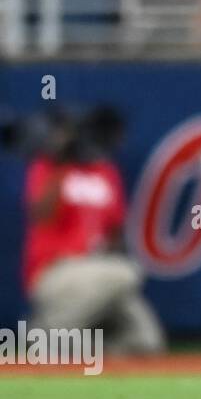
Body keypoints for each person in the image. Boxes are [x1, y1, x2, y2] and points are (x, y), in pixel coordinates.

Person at [23, 108, 165, 355]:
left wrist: (104, 250)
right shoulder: (48, 167)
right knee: (128, 272)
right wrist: (61, 160)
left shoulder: (105, 171)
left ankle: (57, 342)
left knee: (146, 343)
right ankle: (48, 331)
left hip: (99, 274)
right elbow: (41, 214)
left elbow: (115, 231)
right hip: (56, 271)